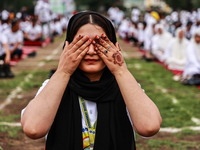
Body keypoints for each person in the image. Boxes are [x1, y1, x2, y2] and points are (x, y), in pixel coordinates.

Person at [21, 11, 162, 149]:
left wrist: (121, 71)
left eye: (99, 43)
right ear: (67, 46)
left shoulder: (125, 87)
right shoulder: (54, 86)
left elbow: (149, 127)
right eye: (82, 43)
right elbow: (33, 129)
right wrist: (63, 71)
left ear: (114, 46)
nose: (90, 51)